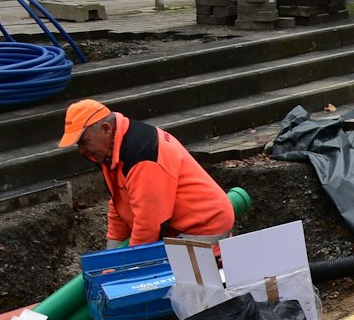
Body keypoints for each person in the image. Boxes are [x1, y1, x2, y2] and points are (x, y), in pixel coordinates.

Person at [59, 99, 235, 249]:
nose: (82, 151)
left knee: (179, 284)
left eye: (84, 142)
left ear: (106, 129)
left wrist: (130, 265)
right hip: (179, 226)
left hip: (203, 226)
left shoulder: (143, 154)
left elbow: (150, 224)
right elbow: (119, 205)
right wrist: (110, 258)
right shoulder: (111, 152)